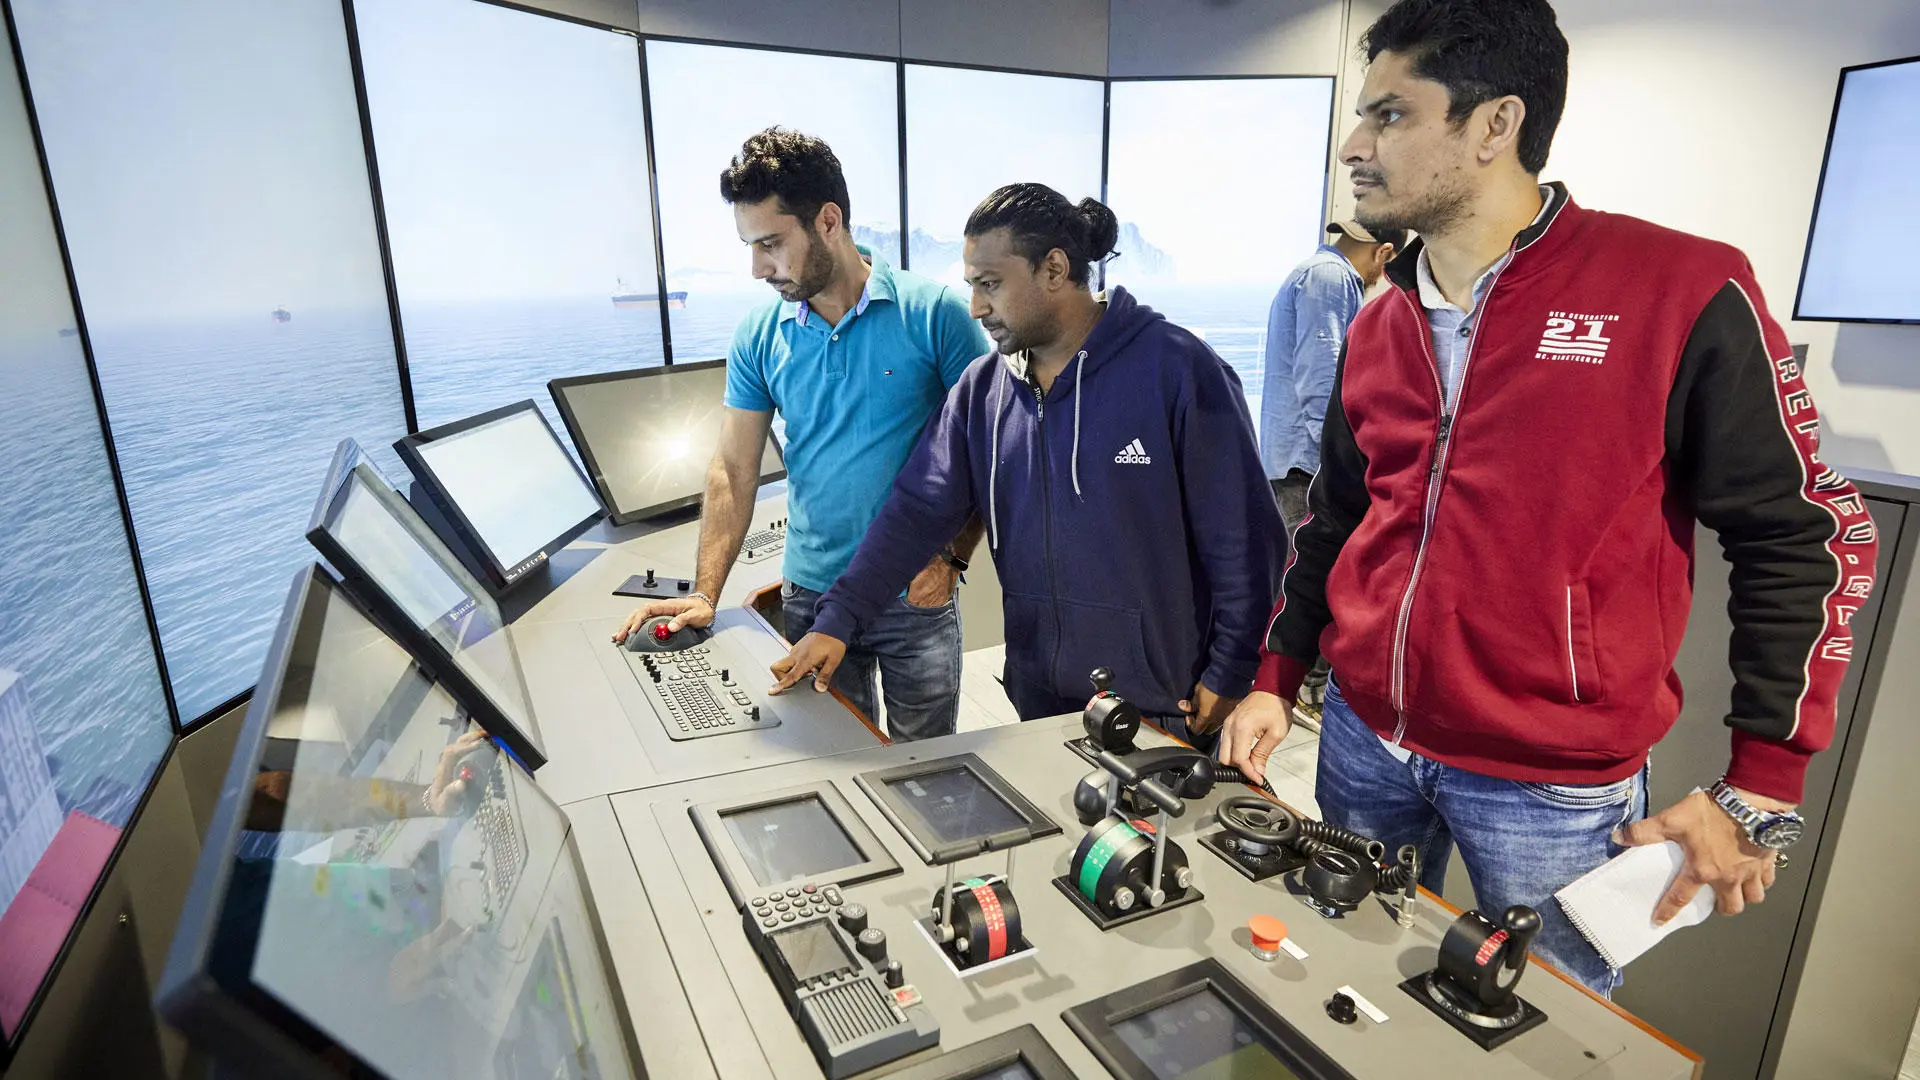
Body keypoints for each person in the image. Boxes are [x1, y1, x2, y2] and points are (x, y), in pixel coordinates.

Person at [1218, 0, 1876, 996]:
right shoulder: (1379, 318)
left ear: (1495, 124)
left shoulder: (1679, 288)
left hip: (1549, 788)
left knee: (1548, 1038)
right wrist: (1279, 672)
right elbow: (1340, 526)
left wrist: (1759, 788)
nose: (1354, 146)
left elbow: (1809, 535)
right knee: (1341, 991)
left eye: (1390, 115)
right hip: (1362, 738)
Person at [770, 184, 1281, 744]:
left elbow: (1245, 540)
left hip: (1161, 704)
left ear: (1055, 269)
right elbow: (914, 512)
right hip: (1041, 699)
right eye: (972, 286)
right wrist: (838, 619)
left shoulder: (1179, 370)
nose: (976, 307)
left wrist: (1232, 668)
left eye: (990, 285)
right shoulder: (982, 391)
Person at [615, 128, 988, 742]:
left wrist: (952, 559)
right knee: (834, 760)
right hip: (810, 592)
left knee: (930, 773)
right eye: (749, 246)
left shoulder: (936, 314)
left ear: (828, 221)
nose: (758, 267)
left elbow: (989, 453)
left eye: (771, 244)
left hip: (913, 595)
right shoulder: (759, 335)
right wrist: (706, 593)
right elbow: (733, 469)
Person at [1260, 219, 1404, 728]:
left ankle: (1294, 686)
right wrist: (1349, 456)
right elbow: (1323, 379)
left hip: (1291, 456)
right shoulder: (1332, 277)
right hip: (1310, 461)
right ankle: (1305, 690)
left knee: (1297, 570)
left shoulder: (1312, 268)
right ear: (1385, 254)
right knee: (1316, 572)